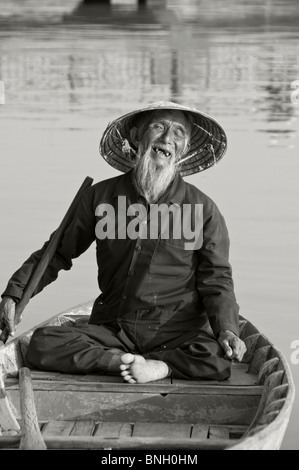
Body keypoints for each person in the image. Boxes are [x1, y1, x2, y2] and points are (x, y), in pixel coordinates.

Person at [0, 101, 246, 384]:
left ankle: (161, 367)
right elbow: (56, 254)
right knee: (43, 343)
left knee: (214, 357)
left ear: (184, 149)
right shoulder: (100, 197)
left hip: (177, 334)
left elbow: (217, 279)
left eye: (178, 133)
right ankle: (121, 363)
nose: (167, 138)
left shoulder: (202, 209)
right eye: (158, 127)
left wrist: (227, 329)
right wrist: (14, 295)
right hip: (114, 331)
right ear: (136, 137)